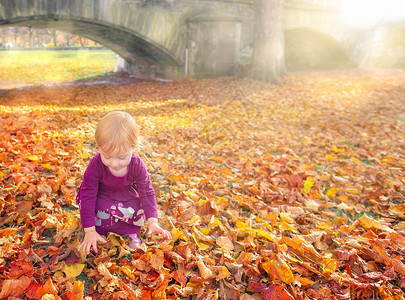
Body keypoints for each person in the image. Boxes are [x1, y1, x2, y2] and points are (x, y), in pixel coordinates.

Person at [77, 111, 171, 255]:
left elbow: (146, 192)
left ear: (133, 148)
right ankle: (98, 232)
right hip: (103, 196)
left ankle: (131, 232)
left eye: (122, 157)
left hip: (126, 198)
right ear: (99, 147)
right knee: (97, 208)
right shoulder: (95, 164)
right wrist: (89, 230)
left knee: (135, 208)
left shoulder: (136, 164)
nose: (114, 164)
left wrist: (153, 220)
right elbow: (88, 195)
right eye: (107, 156)